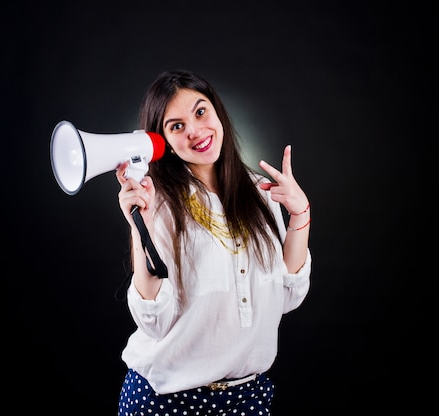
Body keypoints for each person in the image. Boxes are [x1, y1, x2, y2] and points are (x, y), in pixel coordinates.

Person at [115, 69, 312, 415]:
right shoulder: (157, 204)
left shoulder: (260, 193)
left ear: (217, 111)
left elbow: (287, 296)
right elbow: (153, 322)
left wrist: (300, 215)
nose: (195, 131)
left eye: (200, 111)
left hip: (246, 398)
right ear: (163, 142)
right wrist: (139, 226)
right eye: (176, 126)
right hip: (166, 400)